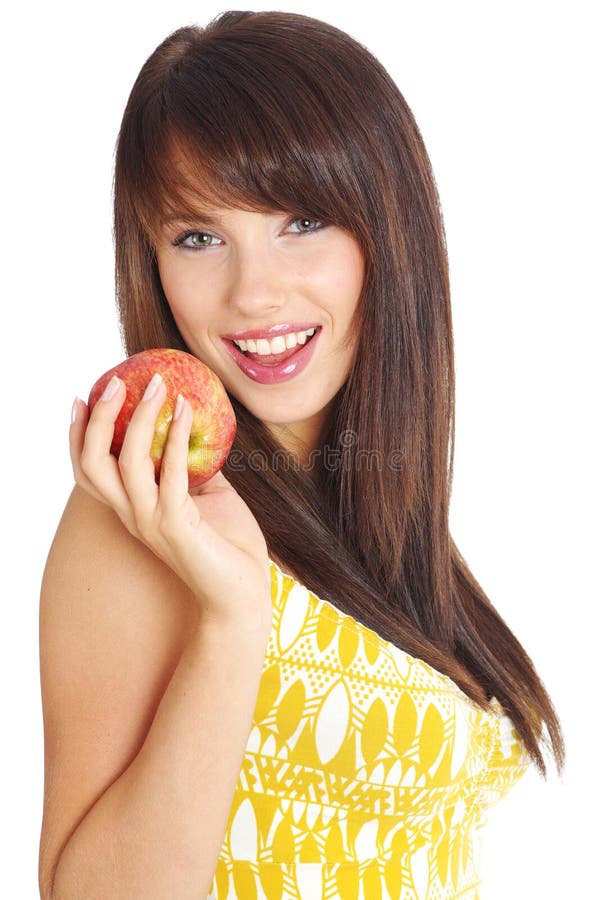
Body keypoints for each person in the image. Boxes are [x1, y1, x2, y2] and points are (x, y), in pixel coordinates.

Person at [38, 10, 564, 899]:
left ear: (388, 228)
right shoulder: (145, 518)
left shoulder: (370, 500)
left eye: (302, 219)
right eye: (198, 237)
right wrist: (233, 617)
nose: (253, 293)